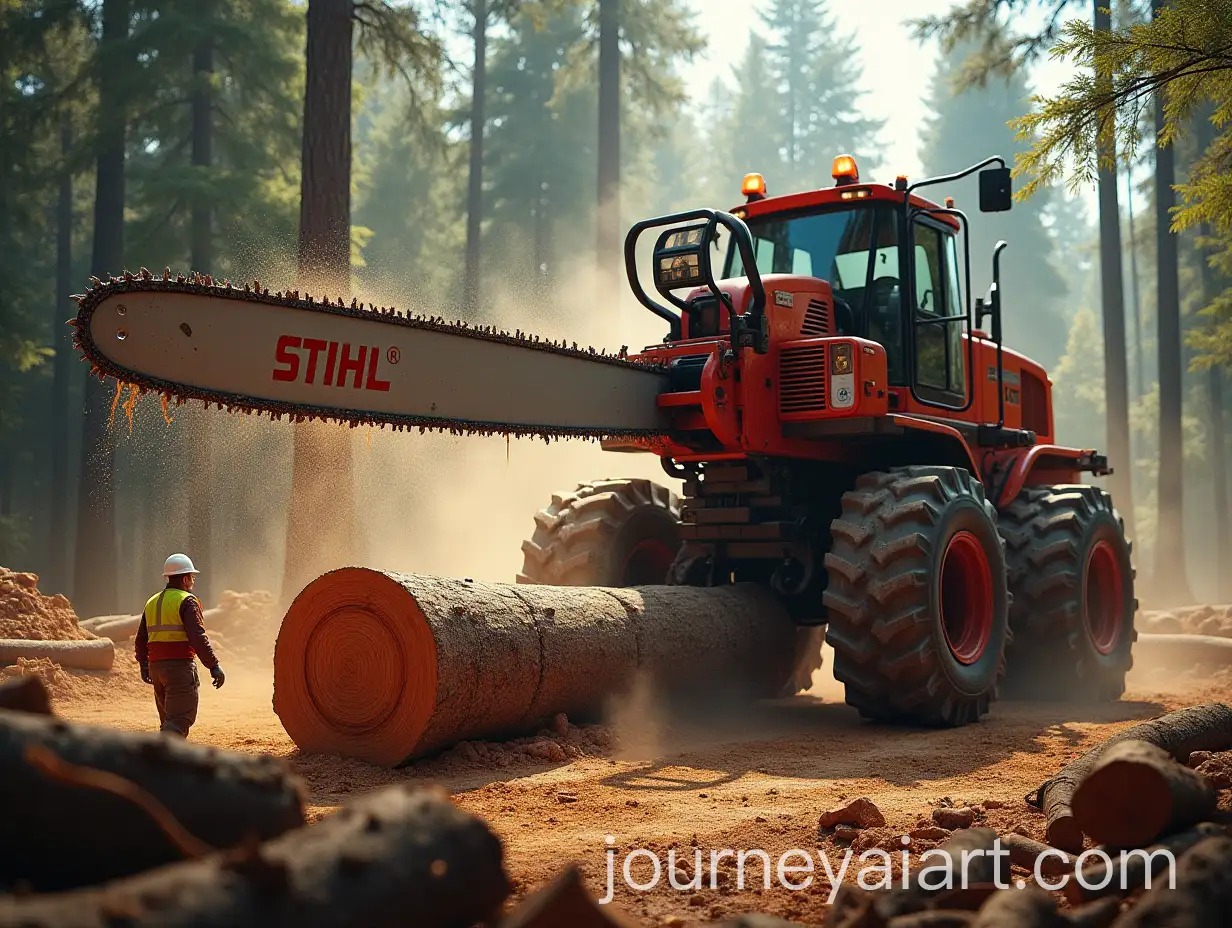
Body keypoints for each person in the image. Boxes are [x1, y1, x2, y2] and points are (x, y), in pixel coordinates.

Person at [134, 554, 225, 737]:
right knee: (177, 722)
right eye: (192, 577)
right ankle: (161, 754)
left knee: (168, 721)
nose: (193, 581)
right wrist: (213, 665)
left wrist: (144, 665)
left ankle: (166, 754)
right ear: (185, 578)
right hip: (178, 669)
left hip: (156, 669)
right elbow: (197, 637)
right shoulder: (187, 601)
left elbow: (141, 638)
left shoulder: (152, 601)